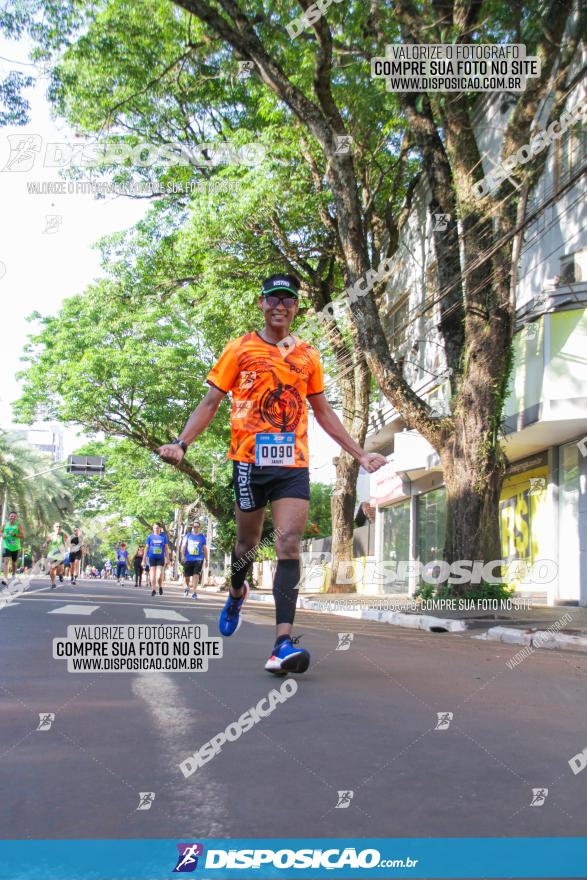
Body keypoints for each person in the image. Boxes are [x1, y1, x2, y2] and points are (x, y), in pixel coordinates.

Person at [158, 273, 386, 675]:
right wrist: (182, 443)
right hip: (247, 463)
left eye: (289, 300)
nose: (281, 305)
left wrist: (360, 453)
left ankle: (282, 643)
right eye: (273, 299)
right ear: (262, 304)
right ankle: (235, 590)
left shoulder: (308, 356)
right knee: (246, 545)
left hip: (291, 466)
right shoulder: (239, 349)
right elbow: (211, 401)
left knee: (289, 545)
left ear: (296, 308)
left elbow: (324, 412)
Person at [181, 520, 208, 598]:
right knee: (187, 576)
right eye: (194, 526)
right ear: (192, 527)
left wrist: (206, 560)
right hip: (188, 558)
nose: (195, 528)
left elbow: (204, 548)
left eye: (197, 526)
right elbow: (183, 546)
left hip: (198, 558)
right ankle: (186, 588)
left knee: (196, 575)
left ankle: (194, 592)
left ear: (199, 527)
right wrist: (183, 555)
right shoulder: (188, 536)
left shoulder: (202, 537)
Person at [143, 523, 169, 596]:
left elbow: (166, 548)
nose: (156, 529)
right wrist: (144, 559)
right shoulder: (150, 537)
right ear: (153, 529)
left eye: (157, 528)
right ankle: (153, 589)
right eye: (154, 528)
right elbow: (146, 548)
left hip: (160, 558)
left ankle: (160, 586)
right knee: (152, 574)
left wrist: (167, 558)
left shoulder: (164, 537)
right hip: (151, 557)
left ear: (160, 528)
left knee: (159, 574)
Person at [2, 511, 25, 585]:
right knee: (6, 561)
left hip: (15, 547)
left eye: (14, 516)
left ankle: (14, 574)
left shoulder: (18, 525)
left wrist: (15, 534)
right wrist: (2, 535)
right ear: (9, 517)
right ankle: (5, 579)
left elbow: (22, 536)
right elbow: (0, 532)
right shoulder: (5, 524)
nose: (13, 517)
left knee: (14, 563)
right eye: (11, 516)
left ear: (16, 518)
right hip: (6, 546)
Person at [43, 522, 68, 589]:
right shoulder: (50, 535)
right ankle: (53, 583)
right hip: (52, 554)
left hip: (60, 555)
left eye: (60, 526)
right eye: (57, 526)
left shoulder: (63, 535)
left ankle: (60, 575)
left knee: (60, 570)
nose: (58, 528)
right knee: (52, 568)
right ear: (54, 528)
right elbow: (47, 542)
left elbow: (66, 543)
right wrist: (45, 544)